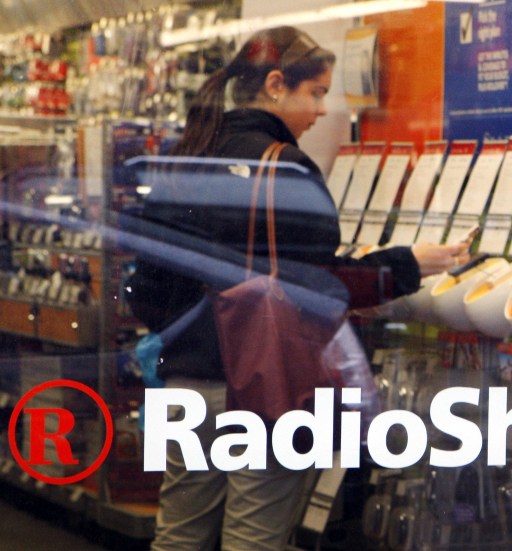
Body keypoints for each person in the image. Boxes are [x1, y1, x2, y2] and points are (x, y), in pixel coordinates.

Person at [125, 26, 469, 551]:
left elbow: (144, 285)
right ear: (276, 84)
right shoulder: (284, 167)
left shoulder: (186, 155)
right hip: (262, 390)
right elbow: (321, 286)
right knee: (253, 541)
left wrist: (183, 335)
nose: (320, 110)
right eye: (315, 93)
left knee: (178, 536)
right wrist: (406, 264)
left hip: (187, 390)